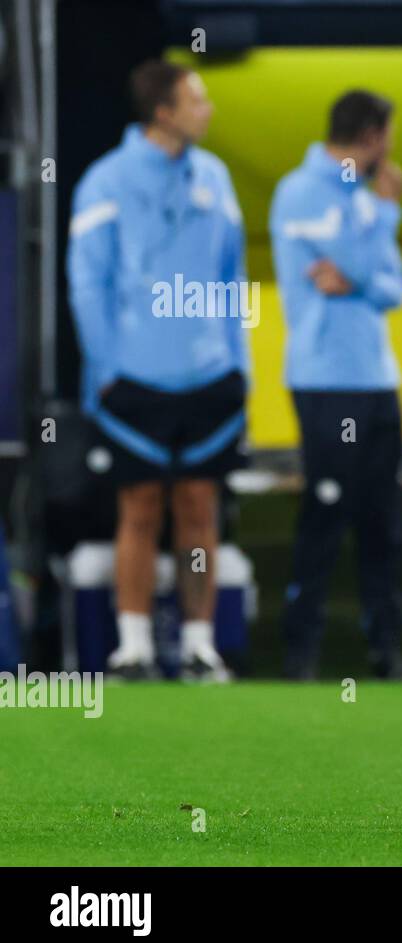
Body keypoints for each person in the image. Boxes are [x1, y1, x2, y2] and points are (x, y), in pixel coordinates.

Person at [67, 61, 248, 681]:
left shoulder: (216, 177)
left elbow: (231, 278)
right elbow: (86, 284)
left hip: (210, 379)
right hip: (133, 382)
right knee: (138, 509)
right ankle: (134, 648)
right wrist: (107, 370)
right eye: (197, 101)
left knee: (200, 509)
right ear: (164, 112)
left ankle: (199, 646)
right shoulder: (104, 181)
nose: (209, 110)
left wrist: (238, 364)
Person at [270, 90, 402, 680]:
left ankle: (386, 651)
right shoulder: (299, 192)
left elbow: (393, 289)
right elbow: (350, 268)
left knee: (382, 519)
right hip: (324, 379)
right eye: (389, 137)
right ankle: (299, 653)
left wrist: (353, 273)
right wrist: (380, 221)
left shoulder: (366, 200)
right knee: (324, 515)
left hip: (378, 380)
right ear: (374, 137)